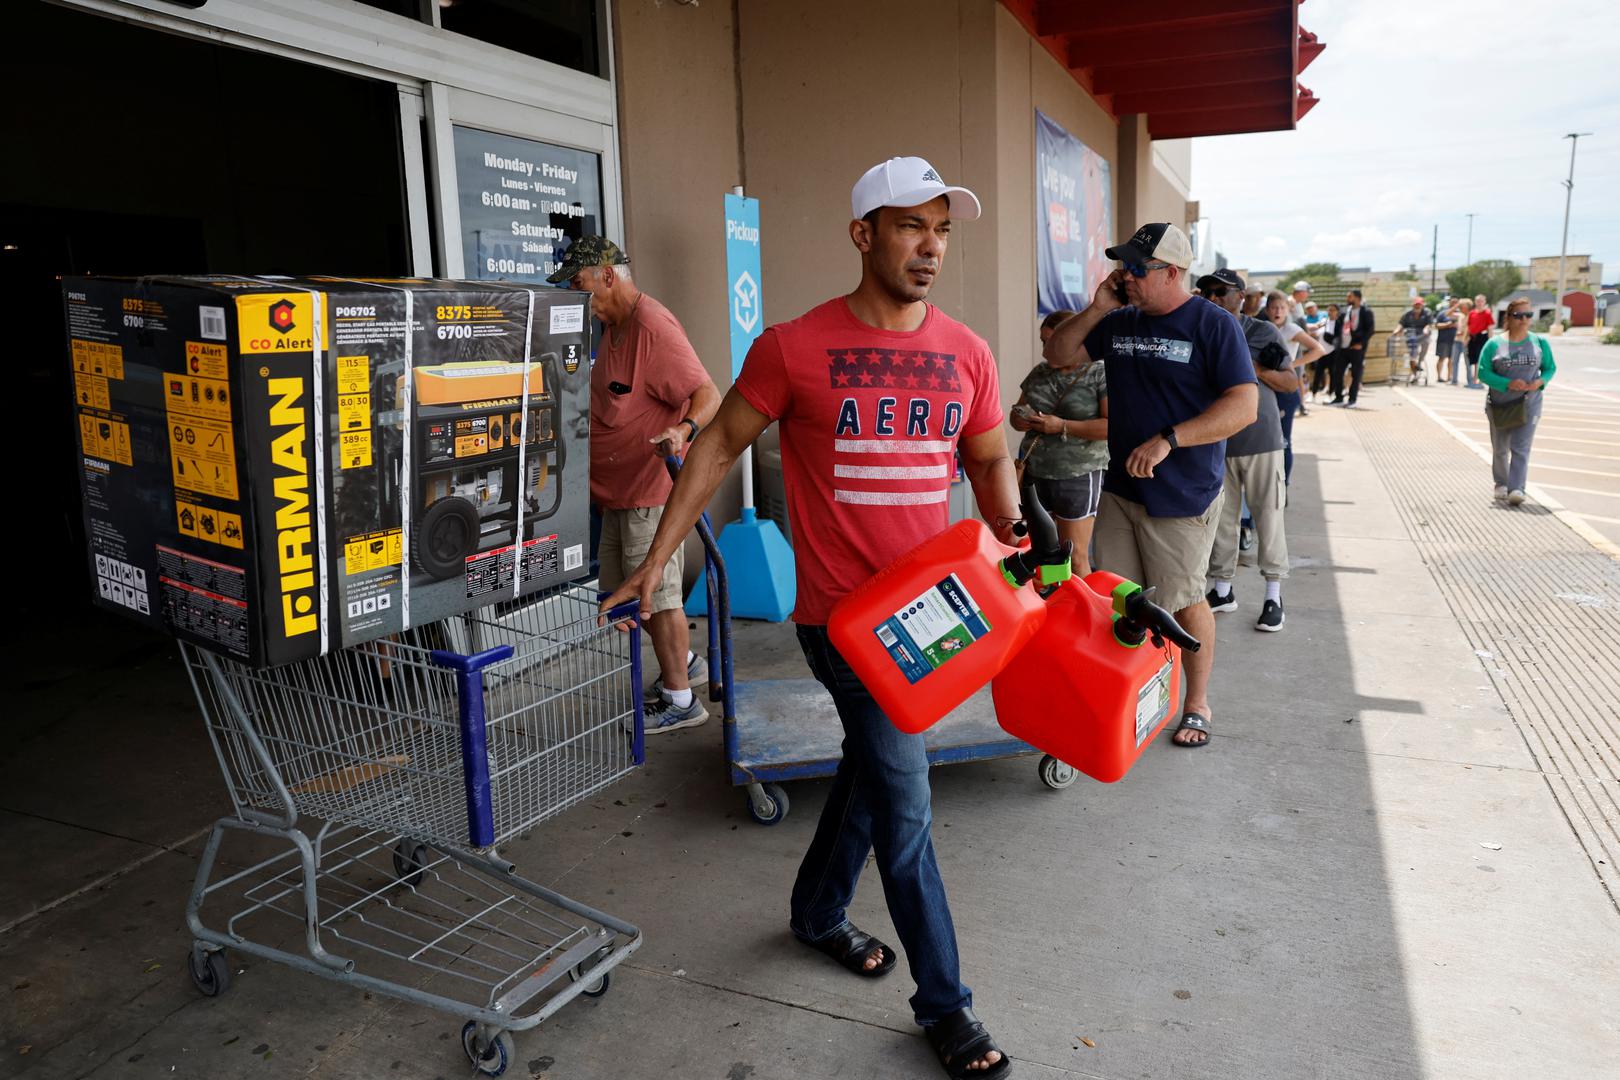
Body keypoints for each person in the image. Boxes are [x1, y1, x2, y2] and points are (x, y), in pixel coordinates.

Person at [600, 156, 1015, 1078]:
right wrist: (656, 560)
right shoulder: (794, 347)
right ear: (864, 234)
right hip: (842, 623)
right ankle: (947, 1008)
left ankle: (817, 912)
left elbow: (988, 464)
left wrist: (1017, 539)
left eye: (943, 229)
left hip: (934, 614)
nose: (932, 247)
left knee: (875, 774)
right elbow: (715, 447)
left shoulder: (968, 352)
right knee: (906, 797)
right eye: (912, 226)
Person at [1045, 225, 1257, 749]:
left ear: (1172, 273)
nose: (1127, 276)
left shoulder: (1213, 325)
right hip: (1121, 489)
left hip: (1182, 496)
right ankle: (1133, 693)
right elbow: (1058, 354)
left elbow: (1242, 406)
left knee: (1184, 601)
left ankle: (1197, 701)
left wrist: (1170, 439)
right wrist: (1095, 308)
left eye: (1138, 268)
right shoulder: (1117, 321)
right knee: (1124, 600)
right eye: (1123, 265)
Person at [555, 236, 721, 733]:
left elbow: (707, 393)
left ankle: (680, 700)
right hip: (619, 496)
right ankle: (684, 664)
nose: (574, 294)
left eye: (578, 283)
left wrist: (683, 430)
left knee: (656, 595)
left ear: (608, 274)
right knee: (627, 594)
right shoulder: (613, 327)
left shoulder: (652, 325)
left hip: (651, 496)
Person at [1198, 274, 1294, 632]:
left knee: (1268, 517)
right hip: (1215, 440)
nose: (1213, 297)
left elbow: (1290, 382)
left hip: (1260, 440)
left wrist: (1255, 369)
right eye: (1207, 291)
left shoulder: (1261, 332)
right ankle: (1223, 590)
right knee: (1220, 520)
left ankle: (1273, 595)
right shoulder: (1199, 329)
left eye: (1221, 291)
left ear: (1241, 297)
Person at [1012, 313, 1108, 575]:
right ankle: (1053, 603)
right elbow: (1017, 411)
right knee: (1044, 551)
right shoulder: (1039, 372)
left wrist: (1063, 426)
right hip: (1035, 473)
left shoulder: (1098, 373)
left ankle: (1080, 611)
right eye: (1043, 342)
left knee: (1074, 554)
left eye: (1051, 342)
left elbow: (1112, 427)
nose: (1046, 350)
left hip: (1077, 474)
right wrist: (1020, 418)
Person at [1477, 296, 1557, 505]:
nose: (1524, 319)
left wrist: (1540, 381)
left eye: (1528, 315)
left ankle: (1517, 488)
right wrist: (1507, 383)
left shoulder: (1539, 342)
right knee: (1500, 447)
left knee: (1521, 447)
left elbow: (1550, 368)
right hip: (1501, 404)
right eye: (1518, 315)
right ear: (1509, 317)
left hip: (1529, 403)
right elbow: (1483, 372)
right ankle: (1501, 483)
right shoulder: (1494, 344)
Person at [1264, 289, 1326, 484]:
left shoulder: (1291, 329)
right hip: (1265, 389)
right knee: (1265, 442)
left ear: (1288, 310)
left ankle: (1284, 484)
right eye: (1274, 307)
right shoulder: (1262, 328)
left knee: (1283, 441)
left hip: (1285, 390)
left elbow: (1318, 349)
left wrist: (1293, 364)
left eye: (1282, 308)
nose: (1278, 311)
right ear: (1267, 310)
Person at [1328, 289, 1375, 407]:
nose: (1347, 299)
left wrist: (1361, 343)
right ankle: (1338, 398)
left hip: (1356, 348)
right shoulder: (1344, 311)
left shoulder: (1366, 312)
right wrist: (1336, 342)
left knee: (1355, 374)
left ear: (1357, 298)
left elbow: (1370, 330)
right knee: (1337, 373)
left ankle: (1352, 399)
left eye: (1349, 297)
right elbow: (1337, 329)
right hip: (1343, 348)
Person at [1397, 297, 1433, 382]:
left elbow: (1430, 324)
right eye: (1416, 305)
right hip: (1411, 337)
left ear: (1422, 305)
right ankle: (1415, 373)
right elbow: (1401, 323)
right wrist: (1397, 330)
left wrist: (1426, 329)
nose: (1417, 307)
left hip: (1423, 335)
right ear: (1413, 305)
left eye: (1419, 305)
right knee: (1412, 356)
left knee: (1425, 344)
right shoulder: (1408, 314)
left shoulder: (1427, 313)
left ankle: (1420, 362)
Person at [1310, 301, 1341, 401]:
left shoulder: (1339, 323)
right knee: (1318, 373)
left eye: (1332, 310)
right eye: (1329, 310)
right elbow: (1316, 331)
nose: (1330, 312)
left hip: (1332, 352)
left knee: (1332, 373)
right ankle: (1313, 394)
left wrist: (1330, 338)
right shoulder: (1324, 320)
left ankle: (1330, 394)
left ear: (1337, 312)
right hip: (1321, 351)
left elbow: (1338, 338)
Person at [1465, 293, 1492, 388]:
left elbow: (1490, 328)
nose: (1479, 303)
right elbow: (1469, 327)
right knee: (1472, 359)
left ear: (1484, 302)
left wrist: (1490, 341)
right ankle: (1473, 380)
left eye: (1481, 301)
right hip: (1472, 338)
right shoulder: (1472, 313)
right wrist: (1466, 338)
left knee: (1479, 360)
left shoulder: (1487, 313)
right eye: (1477, 301)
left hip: (1482, 337)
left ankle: (1477, 380)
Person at [1433, 298, 1460, 383]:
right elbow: (1436, 325)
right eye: (1453, 302)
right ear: (1449, 303)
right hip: (1443, 340)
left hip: (1455, 340)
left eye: (1456, 303)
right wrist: (1447, 325)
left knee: (1451, 360)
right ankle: (1439, 377)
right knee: (1441, 358)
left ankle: (1450, 377)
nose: (1454, 304)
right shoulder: (1442, 313)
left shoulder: (1459, 314)